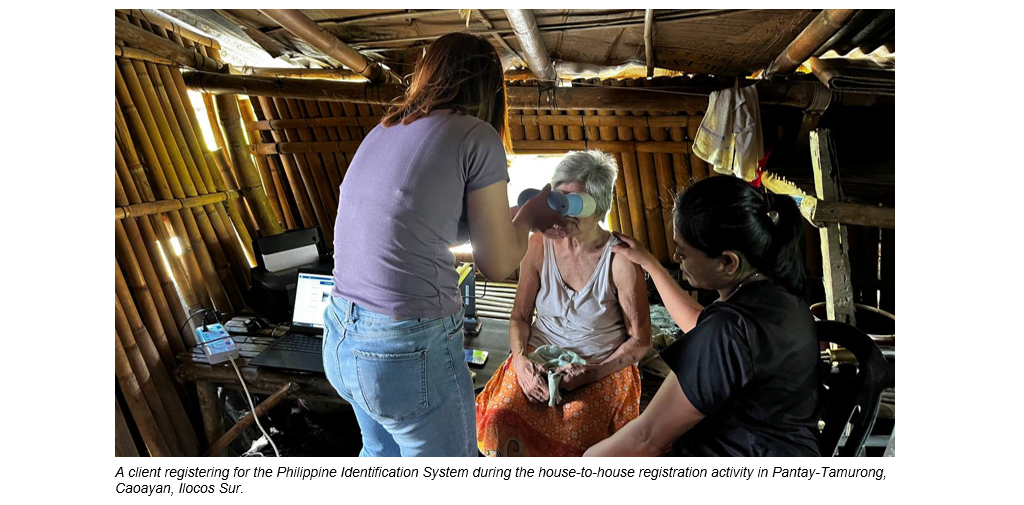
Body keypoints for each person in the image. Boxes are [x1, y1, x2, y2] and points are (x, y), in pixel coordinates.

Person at [322, 33, 564, 457]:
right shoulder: (477, 135)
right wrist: (529, 218)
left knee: (380, 459)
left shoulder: (385, 129)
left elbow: (413, 222)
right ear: (490, 86)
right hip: (405, 348)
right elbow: (496, 263)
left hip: (341, 337)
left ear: (428, 73)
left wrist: (501, 217)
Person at [584, 176, 820, 457]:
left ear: (727, 262)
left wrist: (586, 463)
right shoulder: (777, 294)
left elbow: (646, 439)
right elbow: (700, 325)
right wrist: (649, 262)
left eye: (682, 254)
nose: (675, 256)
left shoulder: (728, 329)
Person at [476, 151, 651, 457]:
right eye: (559, 200)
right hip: (539, 355)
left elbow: (641, 341)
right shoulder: (539, 244)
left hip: (600, 363)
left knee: (578, 432)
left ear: (598, 209)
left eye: (575, 203)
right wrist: (520, 361)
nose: (563, 214)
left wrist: (593, 372)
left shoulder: (620, 259)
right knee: (501, 417)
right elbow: (519, 316)